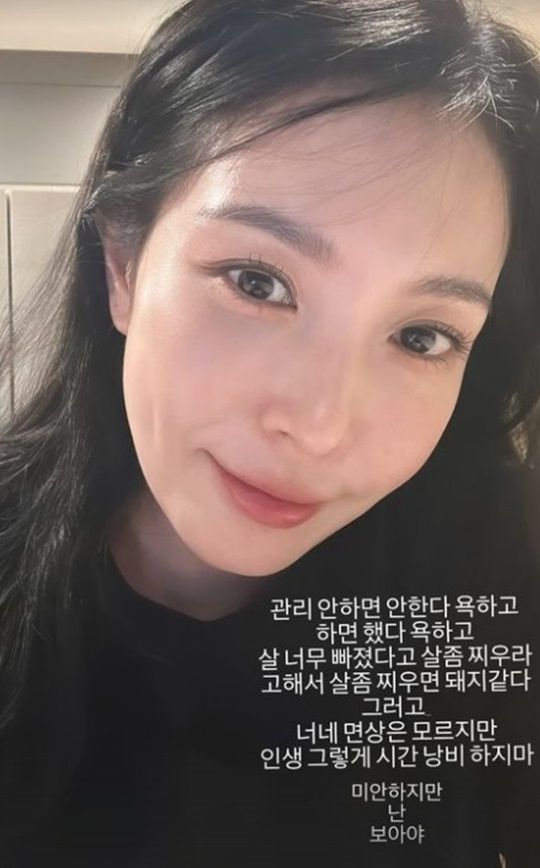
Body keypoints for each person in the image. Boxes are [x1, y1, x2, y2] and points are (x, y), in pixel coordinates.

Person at [0, 0, 539, 865]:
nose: (321, 428)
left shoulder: (486, 563)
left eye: (421, 336)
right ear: (123, 264)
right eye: (256, 281)